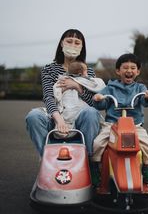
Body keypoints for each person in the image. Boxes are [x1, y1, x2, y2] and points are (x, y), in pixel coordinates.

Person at [25, 29, 101, 157]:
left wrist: (78, 87)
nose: (73, 45)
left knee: (92, 113)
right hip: (56, 115)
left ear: (82, 47)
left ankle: (89, 161)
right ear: (61, 44)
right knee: (33, 116)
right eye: (69, 41)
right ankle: (47, 159)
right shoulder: (49, 69)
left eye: (77, 43)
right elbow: (48, 97)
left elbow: (93, 102)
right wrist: (59, 120)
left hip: (79, 116)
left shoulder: (87, 71)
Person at [92, 53, 148, 184]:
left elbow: (145, 101)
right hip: (112, 125)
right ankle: (95, 168)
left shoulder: (140, 88)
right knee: (97, 144)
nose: (129, 71)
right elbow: (101, 103)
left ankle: (146, 168)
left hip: (134, 126)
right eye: (125, 68)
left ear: (138, 71)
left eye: (133, 68)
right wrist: (98, 98)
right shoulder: (110, 88)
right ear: (118, 71)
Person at [53, 61, 105, 138]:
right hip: (74, 109)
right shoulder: (84, 81)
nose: (88, 74)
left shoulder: (61, 80)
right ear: (80, 74)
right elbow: (96, 85)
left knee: (87, 112)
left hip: (69, 113)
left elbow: (56, 90)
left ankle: (67, 128)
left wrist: (59, 94)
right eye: (86, 71)